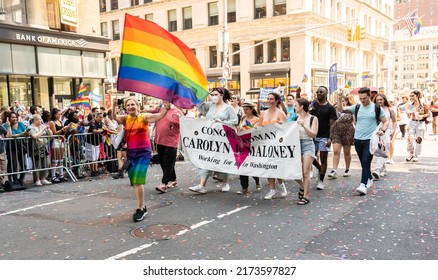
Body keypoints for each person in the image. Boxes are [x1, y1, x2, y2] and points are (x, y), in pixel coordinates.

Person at [112, 96, 171, 222]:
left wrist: (166, 108)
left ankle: (139, 209)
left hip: (143, 153)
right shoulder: (125, 119)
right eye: (128, 105)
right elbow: (114, 117)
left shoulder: (144, 116)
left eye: (132, 104)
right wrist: (113, 106)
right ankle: (142, 206)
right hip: (131, 154)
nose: (130, 107)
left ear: (137, 106)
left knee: (138, 181)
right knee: (134, 182)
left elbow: (159, 116)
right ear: (125, 108)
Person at [337, 87, 389, 195]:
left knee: (366, 161)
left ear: (370, 96)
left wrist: (383, 130)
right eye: (360, 98)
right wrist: (340, 98)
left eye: (364, 98)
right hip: (357, 139)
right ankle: (369, 177)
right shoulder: (357, 107)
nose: (362, 100)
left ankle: (363, 185)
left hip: (370, 140)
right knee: (363, 162)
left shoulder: (376, 108)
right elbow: (340, 109)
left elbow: (385, 121)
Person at [189, 87, 238, 194]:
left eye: (216, 95)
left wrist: (222, 122)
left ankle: (225, 182)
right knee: (207, 160)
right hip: (209, 139)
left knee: (221, 161)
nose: (214, 96)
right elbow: (199, 106)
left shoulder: (228, 108)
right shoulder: (210, 106)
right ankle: (201, 185)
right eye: (213, 94)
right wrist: (204, 93)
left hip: (223, 140)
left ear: (222, 95)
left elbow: (235, 121)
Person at [257, 92, 288, 200]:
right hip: (266, 144)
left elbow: (286, 129)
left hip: (277, 144)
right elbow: (259, 127)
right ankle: (272, 190)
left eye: (271, 99)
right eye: (268, 99)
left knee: (276, 167)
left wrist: (279, 126)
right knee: (268, 167)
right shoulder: (263, 113)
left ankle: (281, 185)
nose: (269, 101)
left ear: (276, 101)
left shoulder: (281, 113)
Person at [309, 86, 337, 190]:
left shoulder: (330, 108)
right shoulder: (313, 104)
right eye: (317, 92)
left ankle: (321, 180)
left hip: (324, 136)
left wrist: (330, 138)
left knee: (323, 158)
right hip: (312, 135)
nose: (318, 93)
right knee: (310, 156)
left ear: (326, 93)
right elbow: (303, 111)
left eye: (321, 92)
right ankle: (320, 169)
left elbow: (332, 124)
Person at [154, 104, 183, 193]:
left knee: (168, 162)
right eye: (164, 99)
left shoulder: (177, 111)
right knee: (164, 162)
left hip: (171, 141)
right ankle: (173, 180)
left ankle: (164, 184)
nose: (165, 101)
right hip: (160, 140)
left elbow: (183, 124)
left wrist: (179, 119)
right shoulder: (161, 109)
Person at [294, 98, 318, 205]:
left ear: (301, 107)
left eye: (296, 105)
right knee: (294, 172)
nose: (295, 107)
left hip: (308, 144)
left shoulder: (313, 119)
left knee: (305, 172)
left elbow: (313, 134)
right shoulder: (296, 118)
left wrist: (303, 125)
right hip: (297, 145)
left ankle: (306, 196)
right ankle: (304, 187)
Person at [236, 102, 261, 195]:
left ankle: (257, 179)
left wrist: (247, 129)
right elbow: (239, 127)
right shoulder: (243, 118)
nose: (245, 111)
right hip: (242, 144)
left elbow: (257, 131)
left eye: (247, 109)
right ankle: (244, 187)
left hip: (253, 144)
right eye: (244, 109)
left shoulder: (257, 119)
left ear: (251, 109)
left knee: (252, 165)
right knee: (242, 165)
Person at [328, 94, 354, 179]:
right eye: (340, 101)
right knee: (336, 151)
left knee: (347, 151)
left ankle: (347, 169)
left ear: (346, 101)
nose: (342, 103)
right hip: (337, 132)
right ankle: (334, 170)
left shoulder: (351, 109)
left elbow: (355, 121)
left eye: (343, 101)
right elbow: (339, 110)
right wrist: (339, 98)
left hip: (348, 132)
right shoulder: (336, 110)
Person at [372, 94, 397, 179]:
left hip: (386, 131)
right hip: (376, 130)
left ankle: (377, 169)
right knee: (378, 149)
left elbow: (394, 121)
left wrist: (393, 131)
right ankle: (383, 169)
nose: (379, 101)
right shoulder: (373, 108)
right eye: (377, 100)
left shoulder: (390, 109)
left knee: (384, 149)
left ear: (384, 100)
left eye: (381, 99)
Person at [3, 112, 29, 186]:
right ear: (8, 118)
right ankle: (13, 180)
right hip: (11, 147)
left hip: (20, 146)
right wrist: (20, 134)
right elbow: (9, 135)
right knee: (13, 164)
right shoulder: (6, 125)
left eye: (15, 117)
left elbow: (25, 132)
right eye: (12, 117)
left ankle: (21, 179)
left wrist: (26, 133)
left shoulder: (20, 124)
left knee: (23, 164)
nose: (15, 119)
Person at [28, 114, 53, 186]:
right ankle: (37, 179)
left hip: (44, 147)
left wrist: (48, 128)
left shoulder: (42, 126)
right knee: (37, 164)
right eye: (39, 119)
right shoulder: (30, 127)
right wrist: (43, 130)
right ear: (35, 120)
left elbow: (51, 135)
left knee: (46, 162)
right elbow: (34, 136)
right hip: (35, 148)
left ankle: (43, 178)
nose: (41, 121)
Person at [406, 90, 430, 162]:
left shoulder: (423, 104)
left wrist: (421, 116)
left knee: (419, 140)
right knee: (410, 138)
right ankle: (411, 153)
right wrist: (408, 113)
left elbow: (428, 114)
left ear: (417, 96)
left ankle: (416, 155)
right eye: (410, 96)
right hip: (412, 122)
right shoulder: (410, 105)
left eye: (412, 95)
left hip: (420, 123)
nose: (411, 97)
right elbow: (408, 116)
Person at [48, 108, 70, 183]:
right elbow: (54, 132)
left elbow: (62, 132)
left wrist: (66, 129)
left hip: (61, 140)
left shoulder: (60, 121)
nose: (59, 115)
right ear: (54, 114)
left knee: (61, 159)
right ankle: (53, 176)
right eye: (58, 114)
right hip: (55, 140)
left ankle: (61, 175)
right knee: (55, 158)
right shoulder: (52, 122)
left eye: (60, 114)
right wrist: (62, 130)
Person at [85, 112, 105, 177]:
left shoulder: (102, 123)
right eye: (100, 117)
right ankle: (92, 170)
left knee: (96, 156)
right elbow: (94, 131)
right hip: (90, 142)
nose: (101, 119)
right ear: (96, 117)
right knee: (92, 156)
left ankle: (95, 169)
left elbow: (104, 129)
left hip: (97, 141)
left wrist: (101, 130)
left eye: (102, 117)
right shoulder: (93, 123)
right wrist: (101, 131)